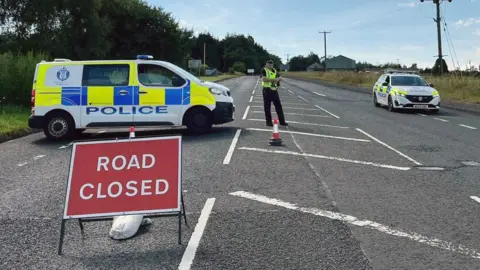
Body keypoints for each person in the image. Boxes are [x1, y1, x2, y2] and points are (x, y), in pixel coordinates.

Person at [261, 60, 288, 126]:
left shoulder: (275, 71)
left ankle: (282, 121)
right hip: (267, 90)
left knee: (278, 106)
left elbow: (280, 77)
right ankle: (269, 122)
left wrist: (278, 79)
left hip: (274, 90)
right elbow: (264, 79)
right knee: (267, 107)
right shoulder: (264, 70)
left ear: (273, 65)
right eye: (269, 64)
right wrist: (274, 80)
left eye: (271, 64)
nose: (270, 65)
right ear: (266, 64)